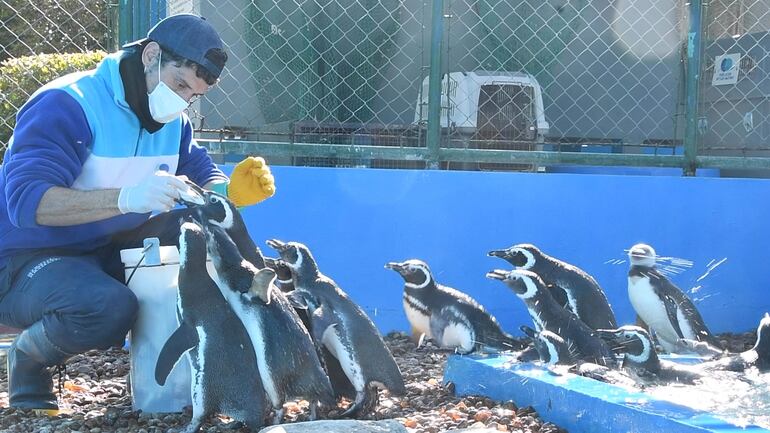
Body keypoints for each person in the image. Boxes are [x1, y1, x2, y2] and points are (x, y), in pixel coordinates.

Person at [0, 14, 275, 412]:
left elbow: (198, 170)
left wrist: (227, 193)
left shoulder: (170, 118)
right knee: (107, 307)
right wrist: (127, 198)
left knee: (205, 230)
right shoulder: (67, 104)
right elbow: (27, 202)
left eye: (193, 96)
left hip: (106, 249)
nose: (183, 101)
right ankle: (28, 359)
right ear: (150, 55)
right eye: (180, 84)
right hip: (24, 261)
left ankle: (200, 375)